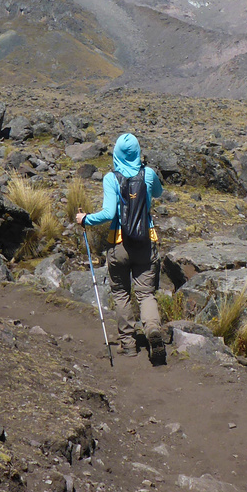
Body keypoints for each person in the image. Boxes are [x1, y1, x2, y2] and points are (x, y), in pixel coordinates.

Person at [75, 133, 166, 363]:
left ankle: (128, 345)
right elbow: (158, 193)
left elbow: (108, 213)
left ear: (116, 153)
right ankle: (153, 330)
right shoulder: (149, 174)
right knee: (145, 293)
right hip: (145, 242)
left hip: (119, 244)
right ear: (137, 152)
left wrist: (85, 219)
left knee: (121, 294)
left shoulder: (110, 178)